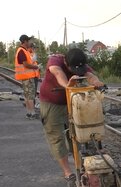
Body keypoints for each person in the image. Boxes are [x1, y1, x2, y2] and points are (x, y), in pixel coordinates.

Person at [39, 48, 104, 180]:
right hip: (52, 103)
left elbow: (90, 75)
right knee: (56, 137)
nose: (76, 72)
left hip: (72, 103)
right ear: (66, 62)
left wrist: (97, 82)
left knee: (75, 135)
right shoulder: (55, 61)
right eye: (72, 69)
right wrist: (68, 85)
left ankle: (80, 167)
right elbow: (58, 74)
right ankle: (67, 172)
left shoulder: (79, 62)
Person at [15, 34, 39, 119]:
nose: (29, 42)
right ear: (25, 41)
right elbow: (26, 64)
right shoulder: (22, 51)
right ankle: (32, 113)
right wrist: (36, 67)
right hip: (28, 77)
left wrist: (33, 61)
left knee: (27, 96)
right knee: (30, 96)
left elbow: (27, 62)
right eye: (28, 41)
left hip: (26, 77)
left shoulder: (23, 50)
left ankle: (29, 113)